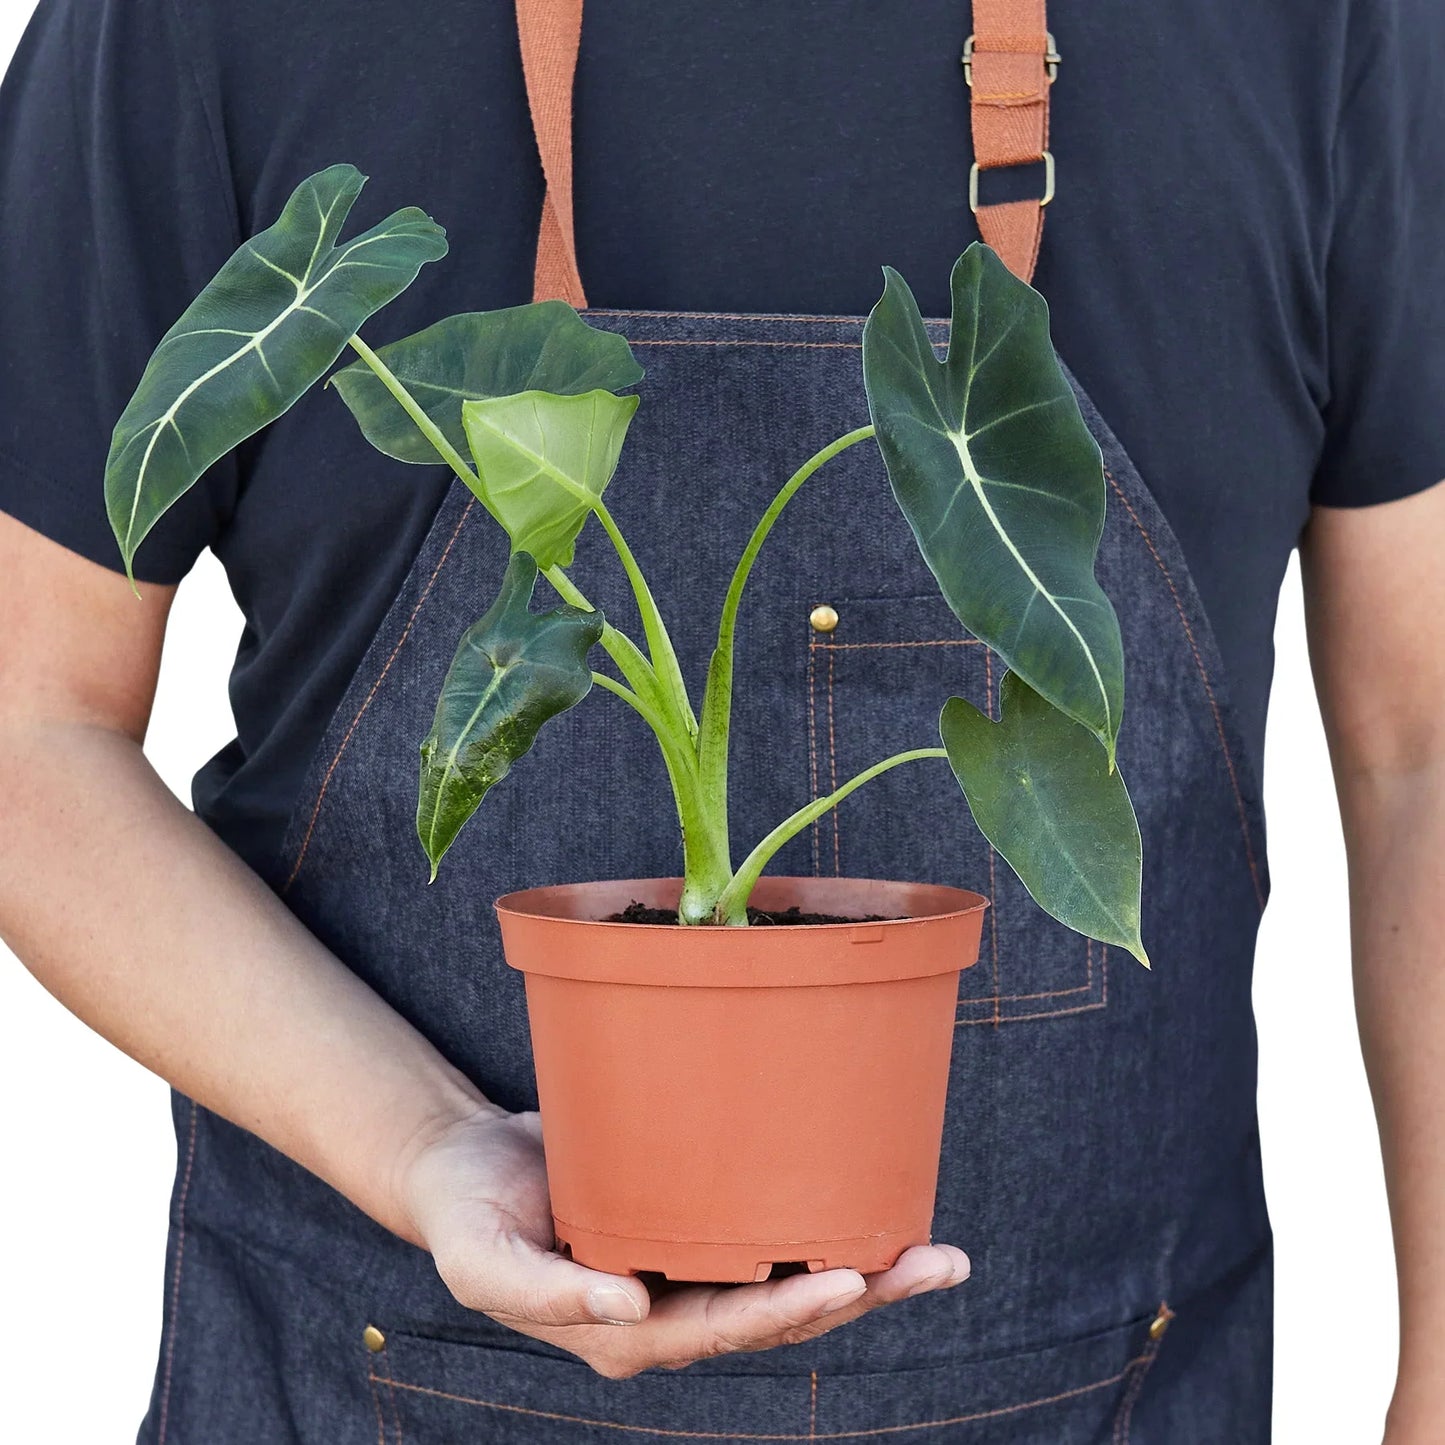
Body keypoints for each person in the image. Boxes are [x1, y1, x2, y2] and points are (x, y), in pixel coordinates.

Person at [1, 0, 1442, 1439]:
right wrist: (422, 1138)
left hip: (1106, 1383)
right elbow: (27, 719)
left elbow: (1420, 743)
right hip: (379, 1376)